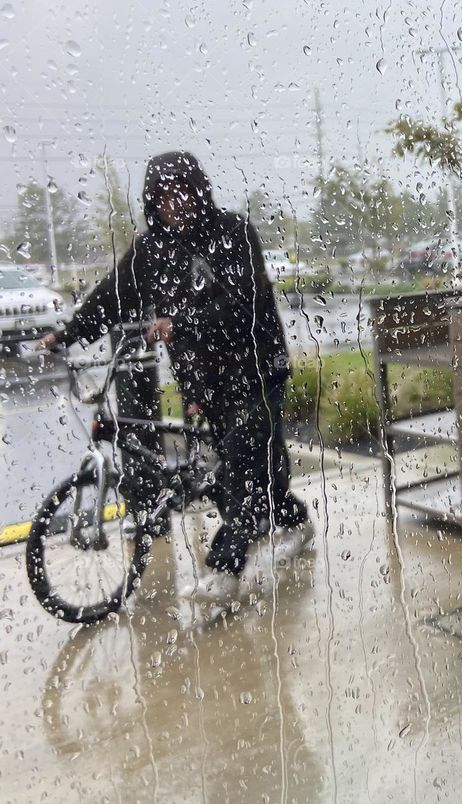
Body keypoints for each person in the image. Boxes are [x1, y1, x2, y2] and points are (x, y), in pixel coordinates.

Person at [39, 151, 312, 606]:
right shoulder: (150, 251)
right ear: (153, 201)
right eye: (164, 195)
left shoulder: (234, 231)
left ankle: (225, 571)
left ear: (199, 190)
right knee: (245, 465)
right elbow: (112, 296)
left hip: (256, 369)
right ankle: (296, 522)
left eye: (183, 191)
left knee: (242, 466)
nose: (175, 202)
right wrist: (67, 335)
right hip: (206, 381)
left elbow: (243, 304)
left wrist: (180, 323)